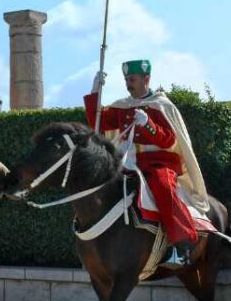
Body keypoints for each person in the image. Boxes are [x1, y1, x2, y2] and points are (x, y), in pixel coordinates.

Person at [83, 59, 210, 267]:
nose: (127, 83)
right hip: (127, 163)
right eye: (125, 79)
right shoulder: (123, 106)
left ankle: (182, 247)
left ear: (146, 79)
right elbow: (98, 122)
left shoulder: (161, 105)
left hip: (158, 163)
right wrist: (95, 92)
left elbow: (169, 140)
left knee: (162, 185)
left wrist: (148, 125)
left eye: (131, 79)